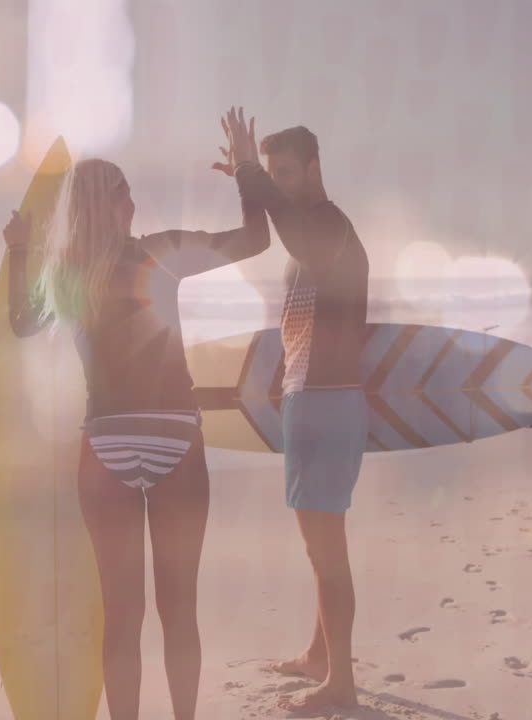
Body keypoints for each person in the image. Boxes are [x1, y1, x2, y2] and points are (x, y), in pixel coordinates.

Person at [2, 108, 269, 720]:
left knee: (121, 620)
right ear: (118, 205)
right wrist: (247, 169)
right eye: (128, 194)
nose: (134, 204)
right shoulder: (161, 254)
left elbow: (22, 323)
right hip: (176, 439)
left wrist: (20, 252)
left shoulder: (64, 272)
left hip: (106, 450)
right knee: (180, 612)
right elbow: (256, 239)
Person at [214, 119, 371, 714]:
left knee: (327, 551)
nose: (280, 183)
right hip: (310, 400)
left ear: (314, 168)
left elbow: (297, 237)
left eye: (286, 172)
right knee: (318, 549)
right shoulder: (311, 230)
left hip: (328, 405)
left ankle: (343, 685)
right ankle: (319, 655)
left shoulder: (329, 227)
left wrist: (253, 176)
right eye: (272, 172)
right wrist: (247, 180)